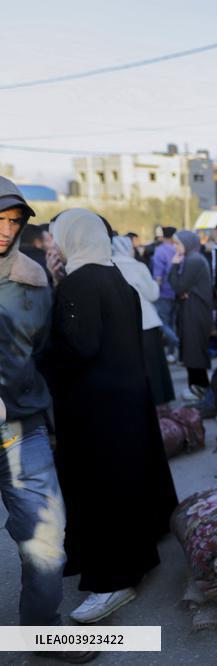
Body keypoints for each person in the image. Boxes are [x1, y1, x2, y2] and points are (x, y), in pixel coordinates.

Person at [43, 208, 178, 625]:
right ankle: (130, 557)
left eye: (55, 237)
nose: (52, 244)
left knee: (103, 491)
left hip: (95, 411)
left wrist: (39, 356)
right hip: (124, 403)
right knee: (122, 485)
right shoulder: (117, 277)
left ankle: (115, 580)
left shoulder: (79, 283)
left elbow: (80, 347)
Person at [0, 180, 88, 660]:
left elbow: (42, 352)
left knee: (47, 537)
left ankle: (42, 633)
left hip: (21, 428)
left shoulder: (32, 279)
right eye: (0, 219)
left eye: (15, 220)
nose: (8, 229)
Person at [110, 235, 175, 406]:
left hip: (122, 325)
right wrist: (155, 283)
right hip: (147, 322)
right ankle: (159, 403)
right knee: (154, 367)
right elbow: (152, 294)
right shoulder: (137, 266)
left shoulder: (109, 267)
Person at [169, 230, 214, 401]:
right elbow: (181, 290)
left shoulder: (193, 260)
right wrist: (182, 292)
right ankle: (196, 386)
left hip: (195, 310)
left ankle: (199, 388)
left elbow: (179, 286)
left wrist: (173, 266)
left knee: (193, 348)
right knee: (192, 348)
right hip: (194, 309)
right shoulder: (193, 258)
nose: (175, 247)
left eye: (178, 243)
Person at [151, 226, 179, 361]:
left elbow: (158, 276)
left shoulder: (160, 251)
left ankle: (175, 342)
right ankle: (171, 353)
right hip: (177, 291)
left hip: (163, 292)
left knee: (163, 322)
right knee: (172, 322)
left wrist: (155, 291)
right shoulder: (178, 249)